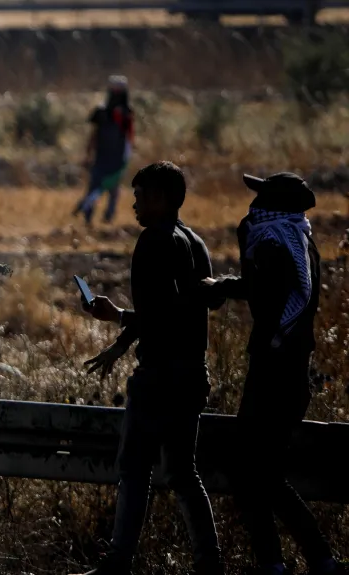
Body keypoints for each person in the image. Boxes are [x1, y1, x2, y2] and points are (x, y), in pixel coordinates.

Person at [75, 161, 222, 575]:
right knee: (184, 474)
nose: (134, 205)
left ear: (160, 198)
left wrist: (119, 326)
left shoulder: (153, 241)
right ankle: (209, 564)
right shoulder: (195, 242)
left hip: (158, 376)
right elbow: (178, 311)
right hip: (191, 374)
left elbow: (158, 315)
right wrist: (120, 332)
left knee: (135, 469)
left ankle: (118, 562)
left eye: (140, 197)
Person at [199, 173, 346, 575]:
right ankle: (304, 561)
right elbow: (266, 289)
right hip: (287, 370)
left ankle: (299, 561)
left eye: (259, 199)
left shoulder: (273, 241)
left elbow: (264, 292)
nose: (251, 208)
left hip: (274, 371)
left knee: (253, 473)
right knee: (259, 473)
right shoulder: (296, 240)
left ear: (272, 206)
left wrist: (222, 284)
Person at [74, 75, 135, 225]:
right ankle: (87, 216)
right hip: (101, 157)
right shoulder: (101, 112)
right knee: (95, 187)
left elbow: (129, 136)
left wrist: (127, 155)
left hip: (117, 158)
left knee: (113, 189)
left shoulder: (126, 113)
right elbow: (94, 135)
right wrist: (88, 154)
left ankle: (108, 217)